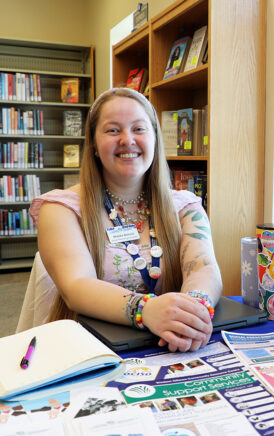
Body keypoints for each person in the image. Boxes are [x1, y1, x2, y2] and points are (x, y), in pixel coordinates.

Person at [31, 88, 221, 353]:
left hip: (168, 345)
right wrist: (146, 310)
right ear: (94, 145)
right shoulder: (61, 208)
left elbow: (203, 267)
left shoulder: (185, 206)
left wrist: (192, 314)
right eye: (112, 130)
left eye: (139, 129)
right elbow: (76, 285)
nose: (127, 140)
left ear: (154, 139)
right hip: (87, 351)